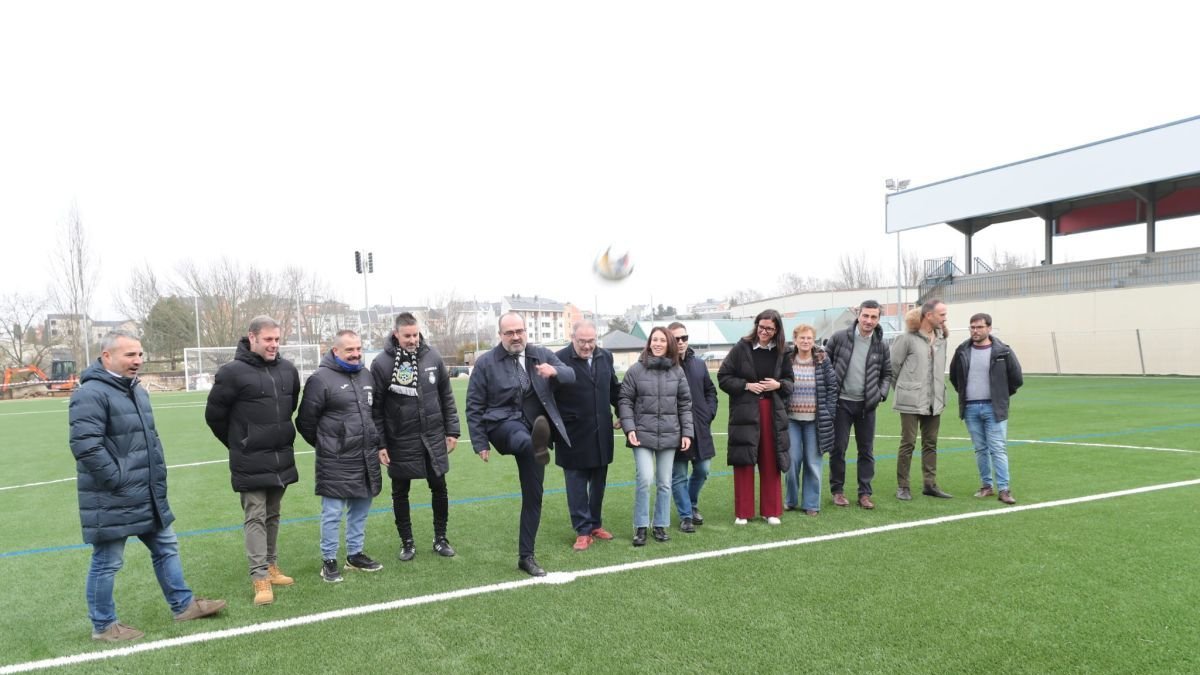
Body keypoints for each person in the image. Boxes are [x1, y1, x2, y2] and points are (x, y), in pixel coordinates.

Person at [69, 330, 225, 642]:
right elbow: (86, 447)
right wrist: (118, 480)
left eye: (140, 354)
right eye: (130, 355)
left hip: (148, 492)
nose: (137, 360)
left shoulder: (136, 390)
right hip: (114, 496)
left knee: (166, 547)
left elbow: (148, 441)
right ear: (107, 357)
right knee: (107, 561)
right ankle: (103, 626)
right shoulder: (91, 393)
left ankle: (183, 606)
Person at [466, 312, 576, 577]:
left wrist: (556, 371)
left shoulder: (540, 354)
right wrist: (480, 442)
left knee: (533, 496)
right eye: (509, 333)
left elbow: (570, 374)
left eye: (520, 331)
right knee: (523, 440)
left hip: (534, 425)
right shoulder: (486, 363)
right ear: (500, 335)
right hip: (503, 424)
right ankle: (537, 442)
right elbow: (474, 405)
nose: (516, 337)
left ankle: (526, 557)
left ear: (526, 331)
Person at [204, 315, 300, 606]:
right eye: (268, 339)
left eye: (277, 339)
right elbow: (214, 416)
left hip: (280, 456)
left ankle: (271, 566)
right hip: (249, 458)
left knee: (273, 514)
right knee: (255, 515)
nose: (273, 345)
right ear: (252, 338)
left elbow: (290, 406)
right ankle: (259, 577)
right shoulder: (231, 372)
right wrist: (240, 442)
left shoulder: (288, 370)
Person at [370, 312, 460, 562]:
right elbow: (375, 409)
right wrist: (381, 444)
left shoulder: (433, 356)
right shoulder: (381, 363)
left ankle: (440, 538)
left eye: (415, 334)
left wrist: (452, 430)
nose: (413, 340)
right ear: (395, 334)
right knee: (400, 491)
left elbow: (446, 396)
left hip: (432, 436)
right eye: (407, 335)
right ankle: (406, 542)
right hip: (400, 439)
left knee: (439, 488)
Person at [296, 329, 383, 582]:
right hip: (335, 459)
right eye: (349, 350)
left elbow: (373, 414)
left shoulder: (367, 375)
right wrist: (329, 444)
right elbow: (305, 422)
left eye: (358, 349)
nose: (356, 354)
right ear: (336, 351)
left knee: (360, 509)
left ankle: (355, 555)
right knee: (332, 512)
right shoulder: (320, 379)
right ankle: (329, 560)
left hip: (365, 456)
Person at [619, 327, 694, 545]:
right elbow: (625, 400)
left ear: (669, 343)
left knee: (664, 482)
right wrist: (629, 428)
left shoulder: (678, 372)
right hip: (642, 434)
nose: (658, 343)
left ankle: (660, 525)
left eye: (662, 340)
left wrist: (687, 432)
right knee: (644, 478)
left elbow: (685, 404)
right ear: (649, 343)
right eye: (654, 340)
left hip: (670, 434)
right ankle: (641, 527)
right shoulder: (636, 370)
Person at [718, 310, 793, 525]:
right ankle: (743, 512)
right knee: (744, 459)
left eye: (769, 328)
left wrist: (778, 385)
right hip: (745, 410)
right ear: (756, 325)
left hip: (772, 411)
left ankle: (771, 511)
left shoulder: (783, 352)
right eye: (761, 327)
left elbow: (790, 381)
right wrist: (746, 385)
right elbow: (723, 377)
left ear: (777, 329)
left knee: (771, 460)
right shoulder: (741, 348)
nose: (764, 332)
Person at [553, 320, 620, 551]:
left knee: (598, 484)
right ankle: (582, 531)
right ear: (573, 338)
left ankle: (595, 525)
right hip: (572, 435)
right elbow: (547, 398)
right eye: (582, 341)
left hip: (601, 433)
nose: (587, 346)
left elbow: (613, 390)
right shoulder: (558, 359)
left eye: (591, 341)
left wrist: (622, 412)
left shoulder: (606, 357)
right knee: (576, 485)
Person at [949, 312, 1024, 505]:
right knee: (980, 449)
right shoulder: (962, 350)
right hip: (971, 408)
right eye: (972, 327)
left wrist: (1000, 396)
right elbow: (955, 377)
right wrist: (967, 395)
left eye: (979, 327)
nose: (975, 331)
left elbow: (1016, 379)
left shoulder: (1003, 351)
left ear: (989, 328)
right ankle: (986, 486)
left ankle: (1004, 489)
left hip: (994, 408)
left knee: (998, 448)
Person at [823, 300, 891, 510]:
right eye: (866, 316)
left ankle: (864, 493)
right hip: (841, 403)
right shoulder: (839, 338)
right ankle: (838, 491)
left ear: (879, 319)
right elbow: (825, 365)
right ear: (858, 315)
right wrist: (830, 392)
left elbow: (887, 373)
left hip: (866, 406)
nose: (869, 321)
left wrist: (880, 394)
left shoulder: (882, 344)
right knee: (838, 449)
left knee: (866, 451)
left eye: (874, 317)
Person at [891, 299, 952, 500]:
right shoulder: (906, 339)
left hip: (935, 399)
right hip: (910, 400)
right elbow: (893, 368)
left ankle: (930, 484)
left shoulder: (942, 339)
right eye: (942, 314)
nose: (945, 318)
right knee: (908, 442)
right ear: (929, 315)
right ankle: (903, 486)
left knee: (931, 443)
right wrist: (904, 390)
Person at [784, 324, 839, 516]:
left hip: (815, 421)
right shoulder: (787, 360)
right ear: (795, 340)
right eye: (802, 338)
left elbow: (832, 388)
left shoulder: (823, 360)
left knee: (813, 464)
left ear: (814, 340)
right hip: (791, 420)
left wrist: (828, 413)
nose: (806, 342)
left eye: (809, 338)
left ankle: (811, 504)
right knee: (791, 462)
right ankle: (790, 500)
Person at [668, 321, 718, 533]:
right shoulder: (664, 366)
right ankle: (686, 515)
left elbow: (710, 391)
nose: (681, 342)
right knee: (678, 475)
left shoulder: (698, 364)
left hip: (700, 426)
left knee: (703, 469)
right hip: (675, 430)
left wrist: (709, 413)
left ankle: (690, 503)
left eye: (684, 338)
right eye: (676, 339)